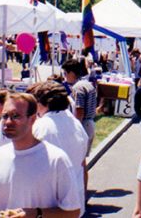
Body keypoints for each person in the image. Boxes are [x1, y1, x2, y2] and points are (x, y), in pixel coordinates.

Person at [0, 93, 83, 218]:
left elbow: (73, 212)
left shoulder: (56, 159)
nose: (8, 122)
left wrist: (36, 214)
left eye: (15, 116)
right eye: (5, 116)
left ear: (32, 119)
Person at [27, 81, 90, 212]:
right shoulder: (76, 124)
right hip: (74, 199)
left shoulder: (41, 126)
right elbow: (83, 164)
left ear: (41, 103)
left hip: (50, 203)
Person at [62, 58, 97, 152]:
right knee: (82, 159)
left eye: (65, 73)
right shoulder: (87, 84)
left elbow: (79, 111)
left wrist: (74, 129)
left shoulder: (78, 88)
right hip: (89, 123)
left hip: (83, 124)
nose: (65, 77)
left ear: (72, 73)